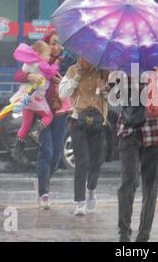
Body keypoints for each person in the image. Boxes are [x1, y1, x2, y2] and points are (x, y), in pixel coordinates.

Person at [10, 31, 73, 209]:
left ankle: (42, 181)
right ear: (46, 45)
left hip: (59, 113)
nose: (57, 47)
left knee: (56, 154)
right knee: (47, 151)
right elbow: (18, 76)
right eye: (53, 43)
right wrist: (30, 76)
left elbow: (74, 84)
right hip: (41, 113)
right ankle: (44, 193)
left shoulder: (66, 63)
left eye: (59, 43)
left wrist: (64, 83)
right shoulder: (37, 61)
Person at [116, 67, 158, 243]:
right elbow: (113, 92)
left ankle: (144, 236)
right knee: (129, 181)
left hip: (156, 130)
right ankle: (123, 233)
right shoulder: (124, 60)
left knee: (150, 185)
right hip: (129, 128)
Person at [59, 57, 110, 216]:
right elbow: (63, 93)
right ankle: (79, 202)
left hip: (98, 121)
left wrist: (105, 89)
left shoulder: (104, 71)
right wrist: (77, 77)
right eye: (81, 56)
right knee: (82, 162)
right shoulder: (72, 70)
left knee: (96, 161)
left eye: (87, 57)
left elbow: (115, 98)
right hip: (78, 121)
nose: (84, 60)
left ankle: (91, 190)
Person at [10, 41, 59, 166]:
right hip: (36, 98)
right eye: (47, 54)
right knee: (48, 116)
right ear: (38, 54)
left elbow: (20, 74)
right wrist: (56, 65)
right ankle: (36, 131)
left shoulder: (27, 62)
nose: (48, 57)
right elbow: (51, 72)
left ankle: (17, 150)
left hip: (25, 97)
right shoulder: (40, 63)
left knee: (25, 124)